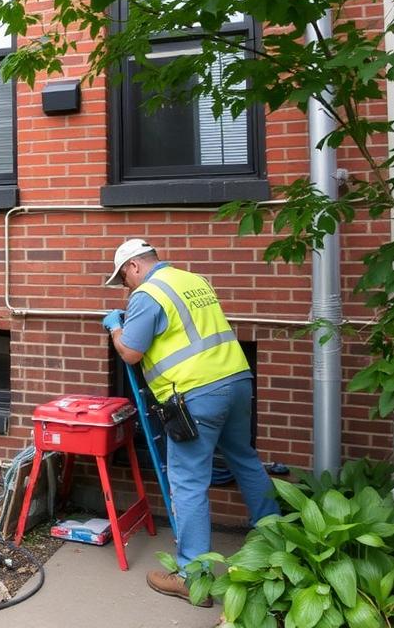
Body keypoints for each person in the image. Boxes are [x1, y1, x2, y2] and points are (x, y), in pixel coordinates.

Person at [102, 239, 278, 606]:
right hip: (237, 381)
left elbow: (131, 353)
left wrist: (116, 327)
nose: (125, 286)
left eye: (123, 279)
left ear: (134, 266)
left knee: (187, 482)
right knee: (245, 459)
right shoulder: (193, 280)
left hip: (197, 395)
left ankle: (192, 577)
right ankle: (277, 544)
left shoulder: (148, 294)